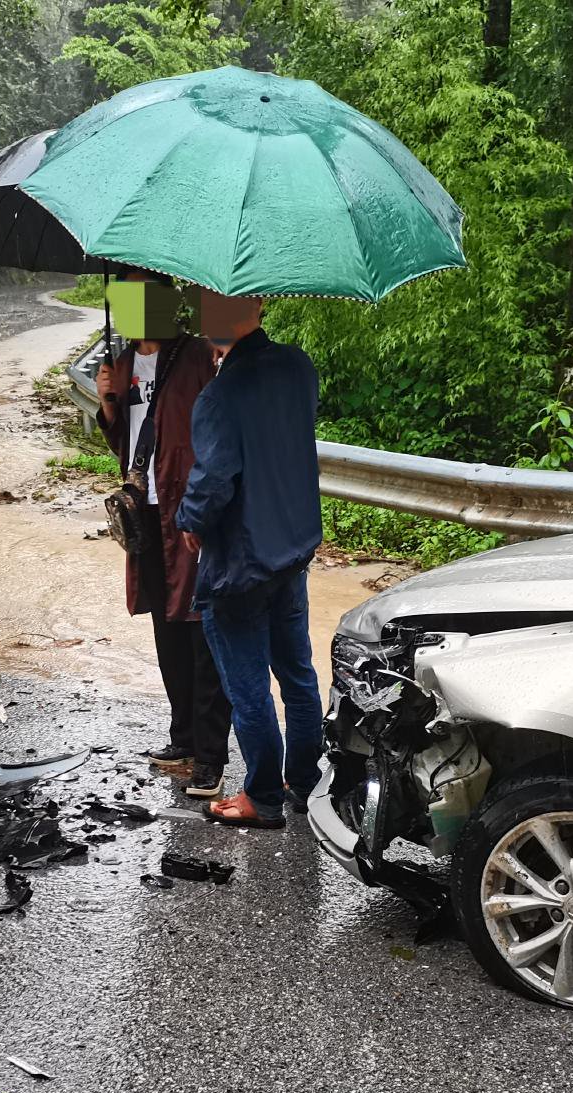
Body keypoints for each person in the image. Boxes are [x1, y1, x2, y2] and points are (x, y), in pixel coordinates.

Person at [174, 291, 325, 830]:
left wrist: (190, 521)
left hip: (240, 563)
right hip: (292, 547)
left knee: (248, 689)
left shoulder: (218, 395)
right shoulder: (298, 367)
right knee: (299, 675)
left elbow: (214, 478)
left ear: (258, 304)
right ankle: (305, 783)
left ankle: (262, 798)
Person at [95, 274, 230, 798]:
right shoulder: (123, 365)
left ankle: (210, 755)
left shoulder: (198, 359)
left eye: (139, 297)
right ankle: (183, 738)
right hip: (145, 514)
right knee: (165, 624)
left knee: (200, 628)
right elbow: (127, 446)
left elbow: (215, 435)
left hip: (188, 512)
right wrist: (108, 404)